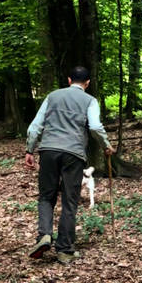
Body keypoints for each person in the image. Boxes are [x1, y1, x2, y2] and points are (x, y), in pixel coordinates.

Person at [25, 66, 115, 264]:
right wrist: (106, 146)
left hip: (48, 150)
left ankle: (44, 236)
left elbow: (35, 126)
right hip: (74, 154)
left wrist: (29, 150)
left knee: (46, 196)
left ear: (68, 80)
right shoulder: (90, 101)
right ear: (87, 83)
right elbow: (94, 127)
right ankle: (64, 249)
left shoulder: (52, 96)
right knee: (69, 200)